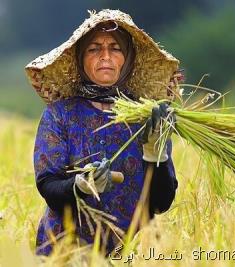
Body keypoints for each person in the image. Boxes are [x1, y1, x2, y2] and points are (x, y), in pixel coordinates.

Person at [25, 9, 183, 256]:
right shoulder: (61, 114)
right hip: (66, 252)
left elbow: (161, 203)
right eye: (94, 49)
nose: (105, 56)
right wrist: (81, 186)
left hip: (129, 251)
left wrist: (155, 154)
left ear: (128, 58)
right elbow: (48, 186)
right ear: (81, 58)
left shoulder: (148, 118)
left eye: (115, 48)